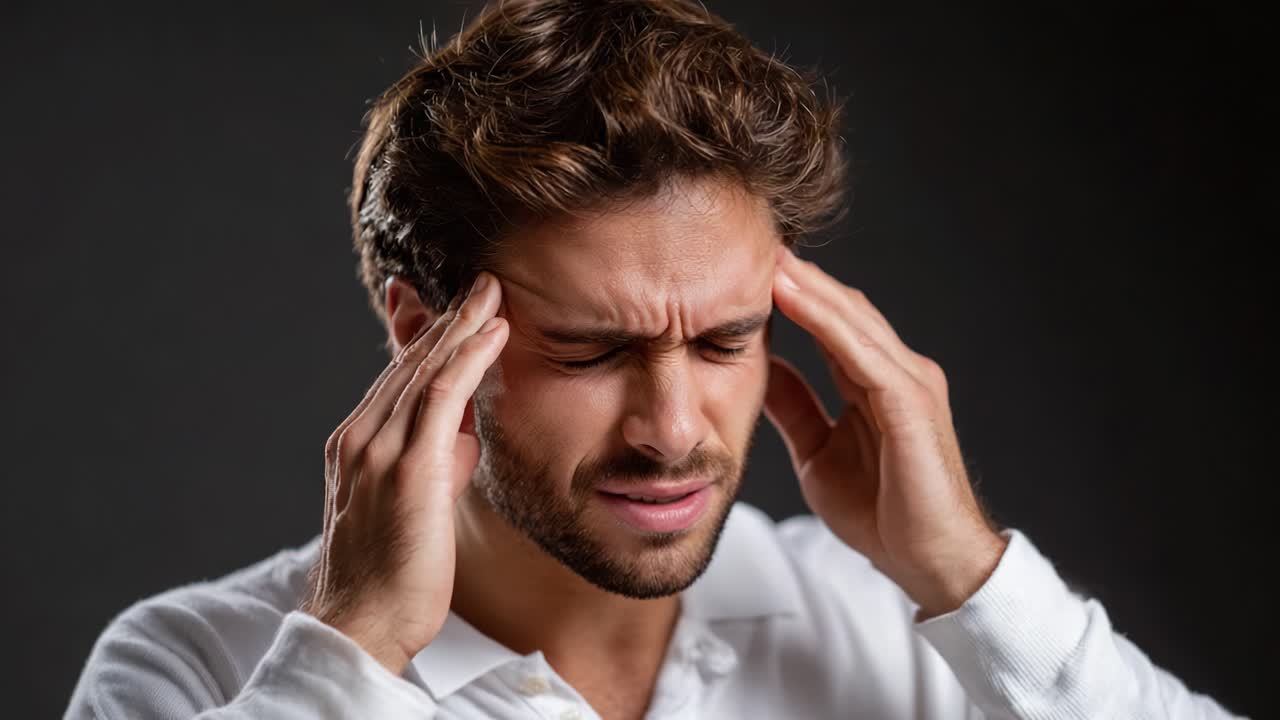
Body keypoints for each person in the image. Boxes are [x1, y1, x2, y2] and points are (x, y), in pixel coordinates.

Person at [65, 1, 1246, 718]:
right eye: (589, 349)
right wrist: (355, 655)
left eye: (728, 339)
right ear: (422, 338)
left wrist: (966, 577)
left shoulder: (889, 618)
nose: (674, 429)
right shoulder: (195, 669)